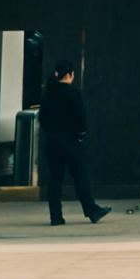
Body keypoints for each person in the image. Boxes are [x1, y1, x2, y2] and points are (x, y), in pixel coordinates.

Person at [38, 61, 109, 226]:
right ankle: (91, 210)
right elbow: (81, 118)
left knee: (55, 179)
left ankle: (56, 217)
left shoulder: (48, 94)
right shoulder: (73, 93)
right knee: (80, 176)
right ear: (70, 75)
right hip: (70, 140)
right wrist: (80, 134)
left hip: (53, 141)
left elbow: (43, 119)